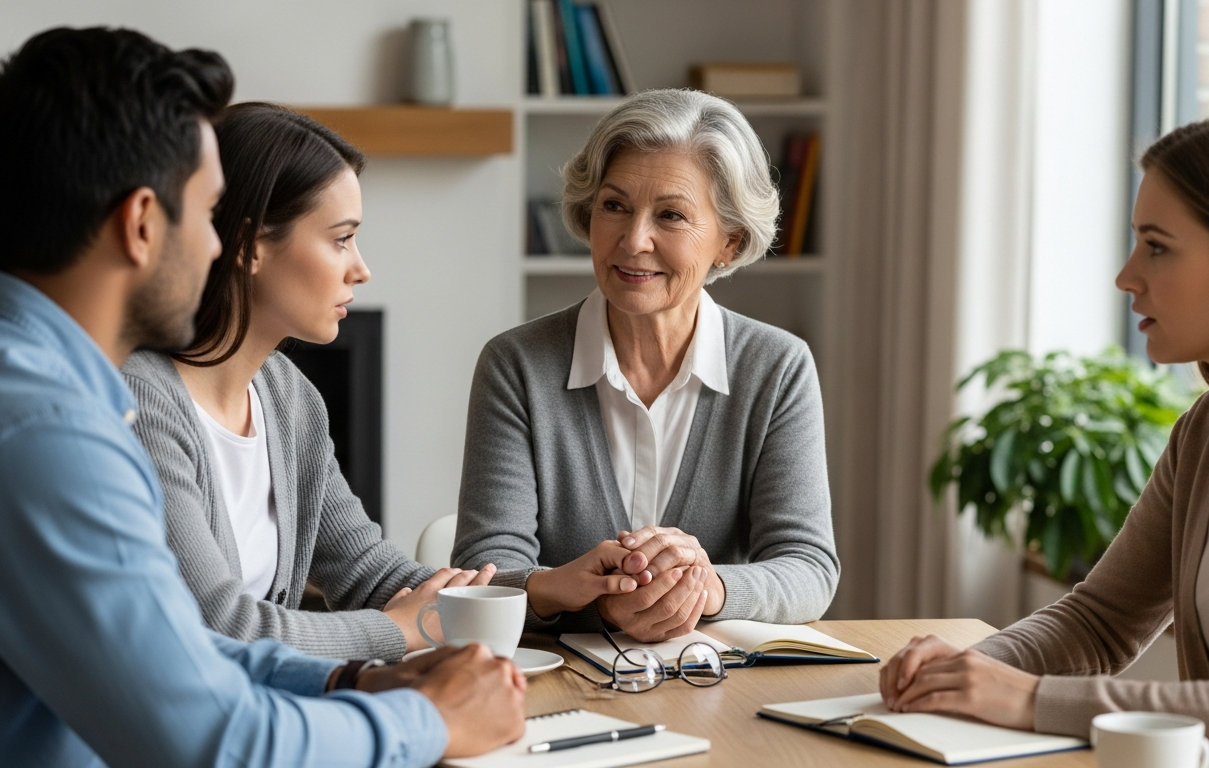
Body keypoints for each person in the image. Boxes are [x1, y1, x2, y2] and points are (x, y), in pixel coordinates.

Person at [0, 26, 524, 766]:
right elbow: (215, 738)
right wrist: (427, 721)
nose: (216, 246)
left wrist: (358, 678)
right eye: (208, 213)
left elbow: (185, 658)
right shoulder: (49, 431)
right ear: (142, 223)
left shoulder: (58, 396)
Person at [878, 110, 1209, 768]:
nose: (1127, 277)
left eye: (1157, 246)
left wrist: (1029, 699)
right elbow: (1099, 622)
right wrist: (967, 668)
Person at [454, 89, 839, 642]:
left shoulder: (777, 368)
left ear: (728, 241)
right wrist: (604, 606)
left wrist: (709, 590)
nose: (634, 241)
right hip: (556, 683)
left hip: (714, 686)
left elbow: (808, 566)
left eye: (671, 215)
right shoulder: (516, 365)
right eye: (614, 206)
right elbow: (487, 569)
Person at [122, 102, 491, 662]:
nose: (361, 268)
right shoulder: (140, 400)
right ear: (249, 246)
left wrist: (547, 592)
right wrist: (401, 632)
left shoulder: (289, 398)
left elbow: (371, 575)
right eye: (341, 239)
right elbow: (221, 628)